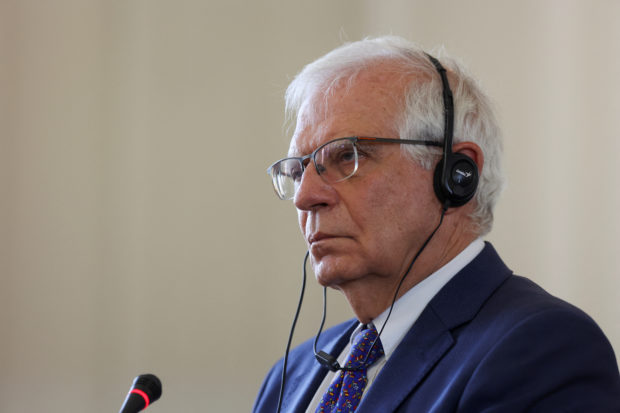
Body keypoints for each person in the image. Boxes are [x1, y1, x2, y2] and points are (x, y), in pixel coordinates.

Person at [253, 36, 620, 413]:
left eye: (348, 155)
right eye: (298, 171)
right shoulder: (289, 375)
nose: (305, 197)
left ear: (456, 176)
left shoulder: (544, 350)